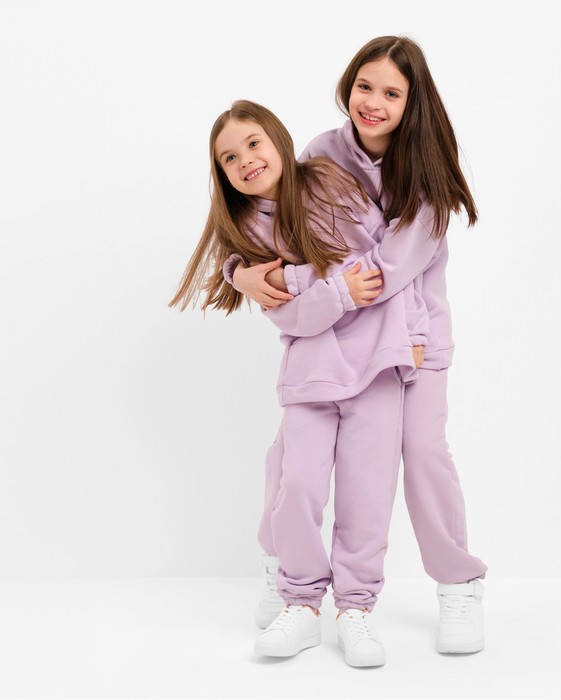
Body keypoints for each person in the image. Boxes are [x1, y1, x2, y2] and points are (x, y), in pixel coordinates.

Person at [233, 36, 488, 655]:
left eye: (391, 93)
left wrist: (300, 290)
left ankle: (458, 586)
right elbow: (280, 225)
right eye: (364, 86)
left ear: (412, 103)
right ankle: (284, 570)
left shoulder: (428, 177)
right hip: (337, 341)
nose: (373, 102)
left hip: (415, 341)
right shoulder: (323, 152)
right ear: (348, 86)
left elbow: (389, 271)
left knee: (421, 454)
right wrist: (238, 272)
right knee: (289, 459)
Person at [170, 100, 428, 667]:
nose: (245, 161)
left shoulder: (331, 180)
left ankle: (355, 610)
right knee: (298, 488)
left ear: (278, 140)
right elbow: (289, 313)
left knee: (367, 496)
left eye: (253, 144)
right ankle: (302, 604)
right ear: (222, 175)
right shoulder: (246, 231)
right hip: (311, 373)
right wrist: (334, 291)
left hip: (377, 365)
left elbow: (386, 263)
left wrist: (413, 332)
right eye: (229, 158)